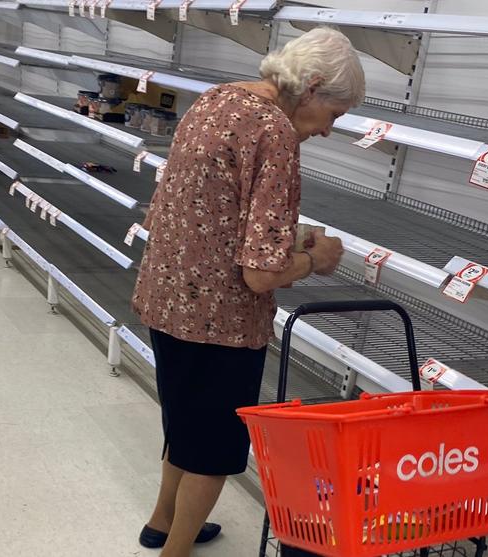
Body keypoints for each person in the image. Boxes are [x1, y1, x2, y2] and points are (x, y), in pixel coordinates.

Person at [131, 27, 366, 557]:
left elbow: (217, 209)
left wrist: (293, 237)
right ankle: (176, 551)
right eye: (335, 116)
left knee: (183, 424)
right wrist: (315, 258)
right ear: (312, 88)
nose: (328, 131)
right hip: (221, 321)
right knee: (214, 449)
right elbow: (259, 274)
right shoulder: (275, 131)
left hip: (167, 297)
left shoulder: (218, 99)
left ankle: (161, 522)